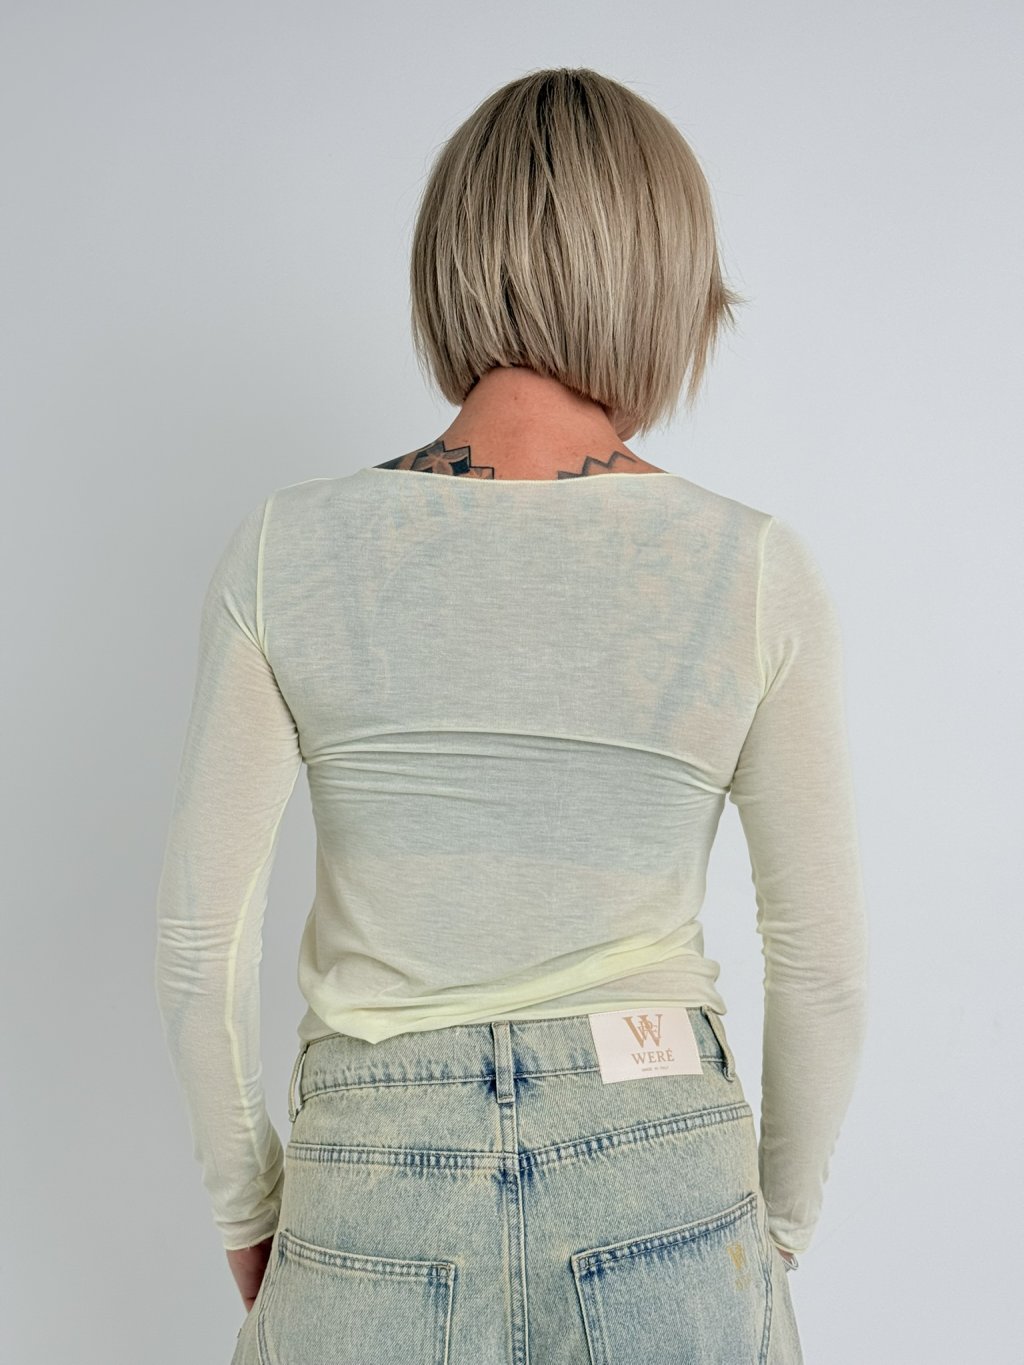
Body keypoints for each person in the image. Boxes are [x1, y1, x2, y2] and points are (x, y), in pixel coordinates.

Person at [154, 66, 868, 1364]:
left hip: (372, 1169)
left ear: (448, 263)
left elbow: (202, 948)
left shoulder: (287, 551)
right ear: (663, 287)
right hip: (662, 1150)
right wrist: (768, 1237)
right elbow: (823, 967)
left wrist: (251, 1210)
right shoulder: (751, 568)